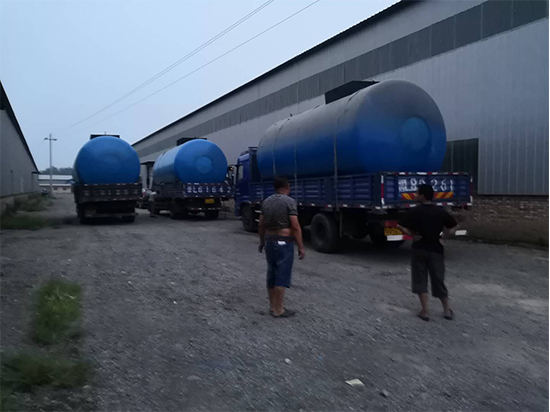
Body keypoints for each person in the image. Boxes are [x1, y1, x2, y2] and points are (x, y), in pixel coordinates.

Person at [397, 184, 458, 322]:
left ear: (422, 196)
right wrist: (443, 237)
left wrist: (412, 234)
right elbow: (453, 227)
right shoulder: (440, 212)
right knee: (438, 279)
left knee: (420, 279)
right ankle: (447, 310)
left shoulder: (414, 212)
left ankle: (424, 311)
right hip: (436, 250)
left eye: (417, 193)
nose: (415, 195)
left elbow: (400, 225)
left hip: (419, 249)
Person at [258, 177, 305, 318]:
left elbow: (261, 224)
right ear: (287, 187)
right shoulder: (289, 202)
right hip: (283, 242)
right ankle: (279, 310)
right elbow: (295, 226)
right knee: (282, 274)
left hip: (269, 241)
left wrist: (262, 242)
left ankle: (272, 306)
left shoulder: (266, 201)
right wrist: (301, 246)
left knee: (271, 273)